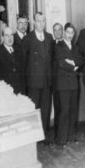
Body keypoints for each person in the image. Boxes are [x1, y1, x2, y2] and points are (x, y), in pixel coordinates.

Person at [22, 12, 53, 142]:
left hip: (47, 81)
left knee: (46, 108)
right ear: (34, 22)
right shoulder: (28, 39)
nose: (41, 23)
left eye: (43, 21)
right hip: (34, 82)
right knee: (34, 109)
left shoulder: (49, 37)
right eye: (38, 21)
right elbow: (23, 61)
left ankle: (44, 134)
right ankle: (33, 137)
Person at [55, 23, 82, 147]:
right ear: (64, 32)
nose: (70, 35)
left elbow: (81, 61)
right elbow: (61, 63)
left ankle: (71, 136)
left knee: (73, 110)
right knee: (64, 111)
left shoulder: (76, 47)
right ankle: (61, 139)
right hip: (63, 84)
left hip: (74, 84)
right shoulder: (59, 46)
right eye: (68, 32)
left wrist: (71, 61)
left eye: (72, 33)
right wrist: (73, 66)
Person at [0, 27, 25, 94]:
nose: (10, 38)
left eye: (11, 35)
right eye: (7, 35)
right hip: (6, 93)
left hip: (20, 93)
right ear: (2, 37)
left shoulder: (19, 50)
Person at [52, 22, 63, 139]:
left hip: (65, 81)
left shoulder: (67, 44)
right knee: (57, 106)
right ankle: (57, 133)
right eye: (55, 30)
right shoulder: (50, 45)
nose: (58, 32)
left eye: (60, 29)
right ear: (53, 32)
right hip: (55, 82)